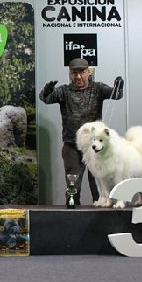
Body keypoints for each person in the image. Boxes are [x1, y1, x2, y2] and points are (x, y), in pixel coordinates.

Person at [39, 58, 124, 205]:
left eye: (82, 73)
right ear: (70, 73)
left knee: (98, 184)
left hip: (95, 147)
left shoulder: (98, 88)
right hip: (72, 146)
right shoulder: (64, 91)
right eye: (74, 73)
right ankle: (73, 212)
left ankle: (102, 212)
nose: (78, 77)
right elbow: (45, 99)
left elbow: (116, 95)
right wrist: (47, 90)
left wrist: (119, 86)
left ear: (88, 72)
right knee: (73, 186)